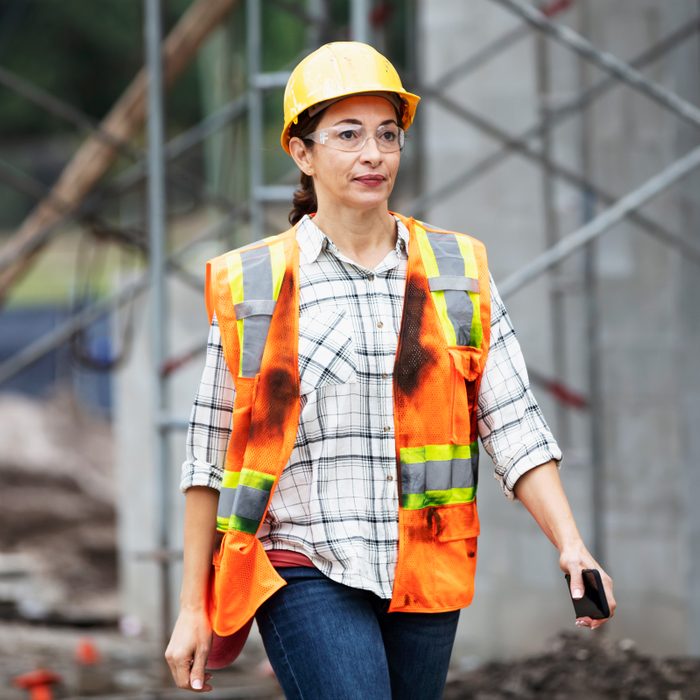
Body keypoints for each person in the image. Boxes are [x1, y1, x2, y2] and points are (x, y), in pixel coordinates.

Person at [165, 41, 616, 698]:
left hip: (425, 563)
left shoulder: (458, 271)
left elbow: (513, 421)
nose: (372, 154)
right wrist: (191, 607)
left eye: (387, 134)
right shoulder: (253, 285)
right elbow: (207, 458)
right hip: (303, 562)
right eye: (348, 135)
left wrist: (571, 543)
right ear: (302, 150)